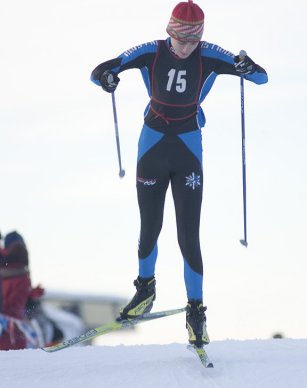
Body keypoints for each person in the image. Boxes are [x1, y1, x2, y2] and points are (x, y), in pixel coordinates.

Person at [91, 0, 268, 348]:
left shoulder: (211, 55)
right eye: (179, 40)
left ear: (200, 39)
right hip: (152, 147)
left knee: (189, 235)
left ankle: (196, 313)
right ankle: (144, 292)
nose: (185, 48)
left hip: (188, 150)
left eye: (192, 42)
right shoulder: (151, 51)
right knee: (150, 227)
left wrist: (247, 65)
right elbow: (101, 69)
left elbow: (261, 77)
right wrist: (107, 79)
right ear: (169, 33)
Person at [0, 231, 63, 350]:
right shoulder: (22, 269)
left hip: (8, 324)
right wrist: (33, 294)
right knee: (39, 321)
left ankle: (48, 344)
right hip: (14, 324)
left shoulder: (6, 264)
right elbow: (19, 296)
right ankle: (49, 344)